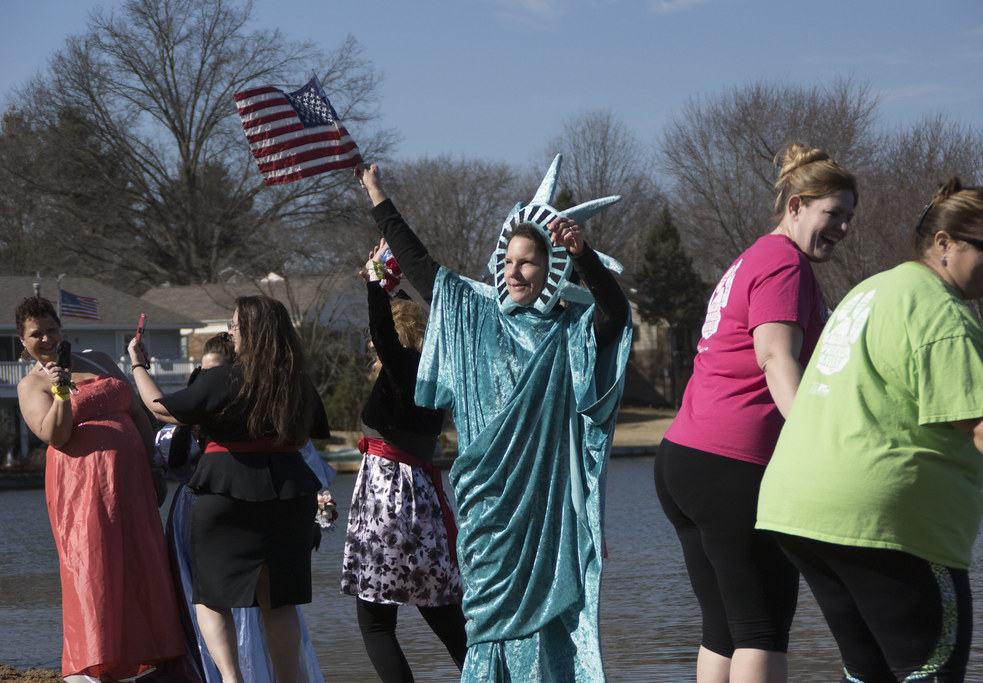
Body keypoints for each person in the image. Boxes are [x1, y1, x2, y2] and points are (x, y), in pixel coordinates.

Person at [355, 156, 632, 681]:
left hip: (544, 509)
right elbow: (421, 266)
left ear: (552, 267)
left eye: (528, 262)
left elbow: (614, 315)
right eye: (508, 260)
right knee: (482, 625)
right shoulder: (473, 318)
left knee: (543, 623)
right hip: (485, 509)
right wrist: (377, 195)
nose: (514, 270)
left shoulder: (567, 334)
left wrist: (585, 255)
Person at [756, 178, 983, 682]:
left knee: (870, 672)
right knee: (930, 669)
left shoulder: (874, 289)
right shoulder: (943, 316)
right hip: (885, 523)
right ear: (943, 243)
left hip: (798, 513)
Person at [653, 142, 858, 682]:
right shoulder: (783, 264)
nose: (841, 228)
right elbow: (774, 358)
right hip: (732, 464)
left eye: (847, 217)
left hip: (685, 460)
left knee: (725, 627)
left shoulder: (754, 257)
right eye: (831, 214)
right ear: (795, 206)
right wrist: (818, 443)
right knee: (761, 629)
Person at [128, 295, 330, 683]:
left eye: (235, 326)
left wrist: (137, 363)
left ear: (252, 332)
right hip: (290, 496)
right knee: (279, 602)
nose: (230, 333)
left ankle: (232, 680)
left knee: (212, 597)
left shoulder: (224, 378)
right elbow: (311, 430)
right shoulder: (297, 382)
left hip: (227, 492)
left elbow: (159, 406)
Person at [15, 296, 188, 682]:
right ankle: (97, 662)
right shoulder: (32, 385)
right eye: (35, 334)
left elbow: (137, 413)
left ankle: (153, 656)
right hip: (82, 489)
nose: (46, 338)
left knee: (143, 560)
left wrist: (152, 466)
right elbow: (55, 435)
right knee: (94, 567)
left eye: (51, 329)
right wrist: (60, 391)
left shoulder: (100, 360)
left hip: (132, 480)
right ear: (22, 342)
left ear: (63, 330)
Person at [339, 239, 467, 681]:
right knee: (448, 619)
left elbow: (382, 333)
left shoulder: (400, 369)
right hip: (425, 507)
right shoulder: (436, 374)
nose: (374, 351)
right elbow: (391, 329)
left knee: (376, 624)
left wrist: (376, 282)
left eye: (379, 345)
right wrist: (387, 282)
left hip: (387, 505)